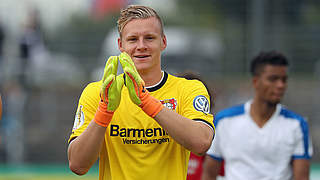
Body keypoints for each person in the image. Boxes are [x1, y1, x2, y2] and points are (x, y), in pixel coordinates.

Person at [67, 5, 215, 180]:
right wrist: (104, 112)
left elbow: (201, 142)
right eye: (133, 39)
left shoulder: (188, 88)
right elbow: (77, 165)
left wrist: (147, 102)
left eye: (150, 38)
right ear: (120, 45)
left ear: (164, 42)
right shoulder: (97, 93)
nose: (141, 46)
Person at [202, 51, 313, 180]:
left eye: (284, 80)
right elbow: (209, 174)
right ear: (255, 81)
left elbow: (302, 177)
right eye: (273, 79)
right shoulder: (224, 121)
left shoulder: (297, 125)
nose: (280, 85)